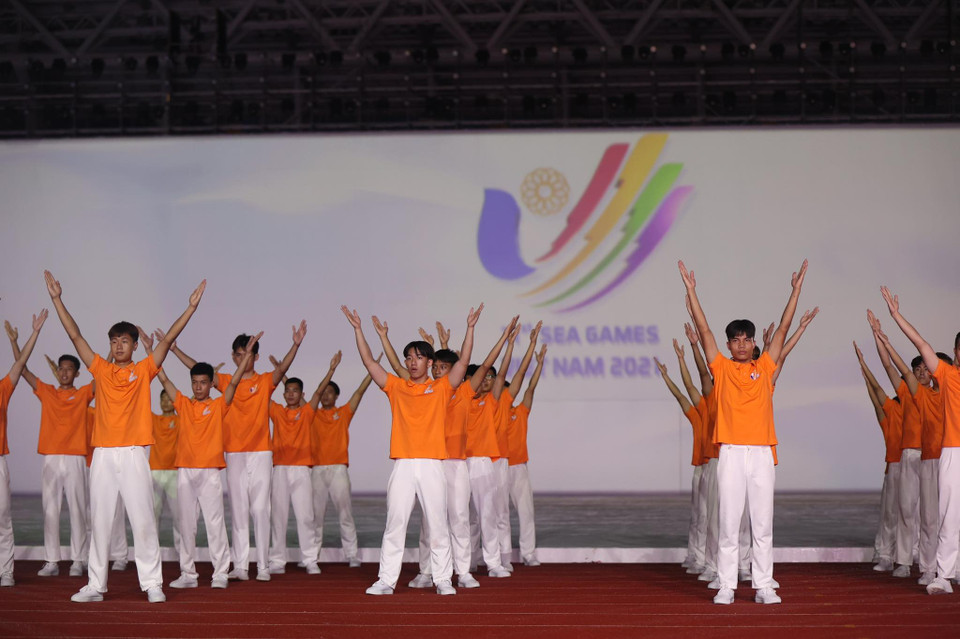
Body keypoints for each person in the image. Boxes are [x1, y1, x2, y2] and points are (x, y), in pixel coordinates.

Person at [44, 269, 206, 604]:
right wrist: (58, 300)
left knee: (143, 520)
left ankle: (152, 584)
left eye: (125, 342)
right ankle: (95, 585)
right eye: (114, 342)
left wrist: (190, 309)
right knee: (100, 521)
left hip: (133, 453)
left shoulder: (144, 369)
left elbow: (165, 341)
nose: (118, 346)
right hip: (103, 453)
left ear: (134, 345)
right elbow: (75, 337)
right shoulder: (100, 369)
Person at [679, 258, 808, 605]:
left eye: (746, 340)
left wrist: (794, 291)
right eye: (734, 340)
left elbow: (782, 330)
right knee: (728, 522)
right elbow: (704, 332)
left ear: (754, 344)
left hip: (762, 452)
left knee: (762, 524)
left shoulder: (765, 367)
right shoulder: (720, 369)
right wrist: (692, 292)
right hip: (732, 453)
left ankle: (764, 585)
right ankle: (726, 585)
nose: (741, 345)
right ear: (729, 344)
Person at [341, 304, 481, 596]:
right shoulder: (396, 386)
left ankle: (442, 579)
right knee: (395, 522)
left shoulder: (442, 388)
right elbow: (369, 362)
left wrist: (470, 328)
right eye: (408, 357)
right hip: (403, 464)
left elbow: (464, 360)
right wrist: (359, 330)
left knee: (438, 524)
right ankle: (386, 580)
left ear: (430, 362)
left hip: (431, 464)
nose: (412, 362)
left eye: (418, 357)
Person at [171, 322, 307, 581]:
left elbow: (283, 368)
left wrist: (296, 345)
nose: (243, 358)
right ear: (233, 357)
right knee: (239, 508)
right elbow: (198, 370)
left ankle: (264, 566)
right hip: (233, 452)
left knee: (260, 508)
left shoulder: (265, 381)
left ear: (255, 356)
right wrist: (175, 350)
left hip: (260, 451)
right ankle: (241, 566)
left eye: (248, 353)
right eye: (238, 354)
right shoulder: (223, 382)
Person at [150, 331, 259, 589]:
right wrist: (149, 350)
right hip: (185, 471)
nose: (198, 387)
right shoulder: (183, 404)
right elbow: (162, 377)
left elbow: (232, 383)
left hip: (210, 472)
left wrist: (246, 358)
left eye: (203, 382)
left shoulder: (220, 404)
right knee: (185, 525)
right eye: (195, 382)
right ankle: (188, 574)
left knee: (214, 524)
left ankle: (220, 573)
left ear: (211, 384)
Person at [877, 286, 960, 595]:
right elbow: (919, 346)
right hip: (944, 454)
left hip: (944, 455)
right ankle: (936, 571)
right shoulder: (945, 381)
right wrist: (897, 318)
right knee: (939, 517)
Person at [5, 321, 90, 578]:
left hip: (75, 457)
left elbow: (103, 375)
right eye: (61, 369)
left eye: (70, 370)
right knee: (49, 509)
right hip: (52, 458)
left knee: (77, 508)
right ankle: (52, 561)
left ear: (77, 373)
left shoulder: (85, 393)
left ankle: (78, 559)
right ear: (57, 372)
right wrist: (14, 342)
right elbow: (23, 369)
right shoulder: (47, 391)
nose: (64, 373)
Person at [308, 351, 376, 568]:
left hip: (338, 470)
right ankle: (311, 556)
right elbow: (295, 393)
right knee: (315, 517)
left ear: (336, 396)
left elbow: (360, 392)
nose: (326, 395)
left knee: (345, 514)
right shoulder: (312, 414)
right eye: (323, 392)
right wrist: (283, 376)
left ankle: (351, 554)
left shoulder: (344, 413)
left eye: (330, 392)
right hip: (317, 470)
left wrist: (372, 369)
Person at [0, 309, 48, 587]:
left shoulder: (3, 389)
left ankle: (6, 570)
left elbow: (20, 364)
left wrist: (34, 333)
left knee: (3, 518)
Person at [854, 340, 903, 572]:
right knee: (890, 513)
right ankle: (884, 554)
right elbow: (878, 398)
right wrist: (865, 370)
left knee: (913, 515)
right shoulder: (893, 410)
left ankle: (907, 555)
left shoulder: (923, 405)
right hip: (894, 466)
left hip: (920, 464)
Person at [508, 342, 547, 567]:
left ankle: (528, 553)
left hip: (519, 467)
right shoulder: (490, 413)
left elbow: (530, 388)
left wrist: (539, 364)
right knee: (498, 515)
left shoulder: (521, 411)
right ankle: (499, 556)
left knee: (526, 512)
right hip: (498, 466)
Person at [149, 389, 181, 556]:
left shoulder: (180, 419)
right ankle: (152, 555)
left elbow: (190, 406)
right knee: (153, 516)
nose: (165, 402)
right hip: (155, 472)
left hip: (174, 473)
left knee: (179, 517)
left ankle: (182, 554)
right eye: (163, 399)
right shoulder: (154, 419)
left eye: (169, 399)